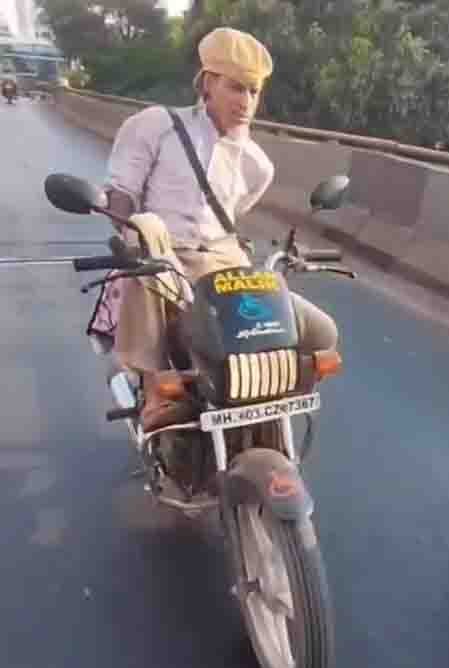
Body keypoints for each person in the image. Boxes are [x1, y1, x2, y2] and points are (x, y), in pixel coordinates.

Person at [95, 27, 339, 431]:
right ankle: (156, 390)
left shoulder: (258, 165)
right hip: (161, 255)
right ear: (208, 84)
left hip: (224, 263)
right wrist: (124, 229)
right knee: (146, 234)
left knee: (321, 331)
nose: (245, 102)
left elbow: (231, 216)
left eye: (254, 92)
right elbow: (121, 191)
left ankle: (272, 394)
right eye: (236, 88)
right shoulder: (156, 125)